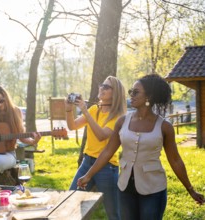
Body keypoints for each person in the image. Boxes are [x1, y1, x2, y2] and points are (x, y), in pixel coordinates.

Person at [77, 74, 204, 220]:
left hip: (153, 189)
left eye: (136, 92)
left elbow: (175, 160)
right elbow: (107, 151)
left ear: (148, 96)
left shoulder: (165, 127)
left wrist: (191, 190)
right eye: (131, 91)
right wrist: (88, 175)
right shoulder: (122, 121)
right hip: (124, 187)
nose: (131, 95)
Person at [65, 76, 126, 220]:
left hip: (107, 166)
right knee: (70, 200)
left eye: (106, 87)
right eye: (102, 85)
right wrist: (68, 110)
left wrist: (85, 111)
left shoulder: (118, 116)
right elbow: (72, 126)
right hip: (87, 163)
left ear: (115, 93)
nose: (102, 88)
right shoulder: (94, 109)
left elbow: (101, 135)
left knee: (113, 213)